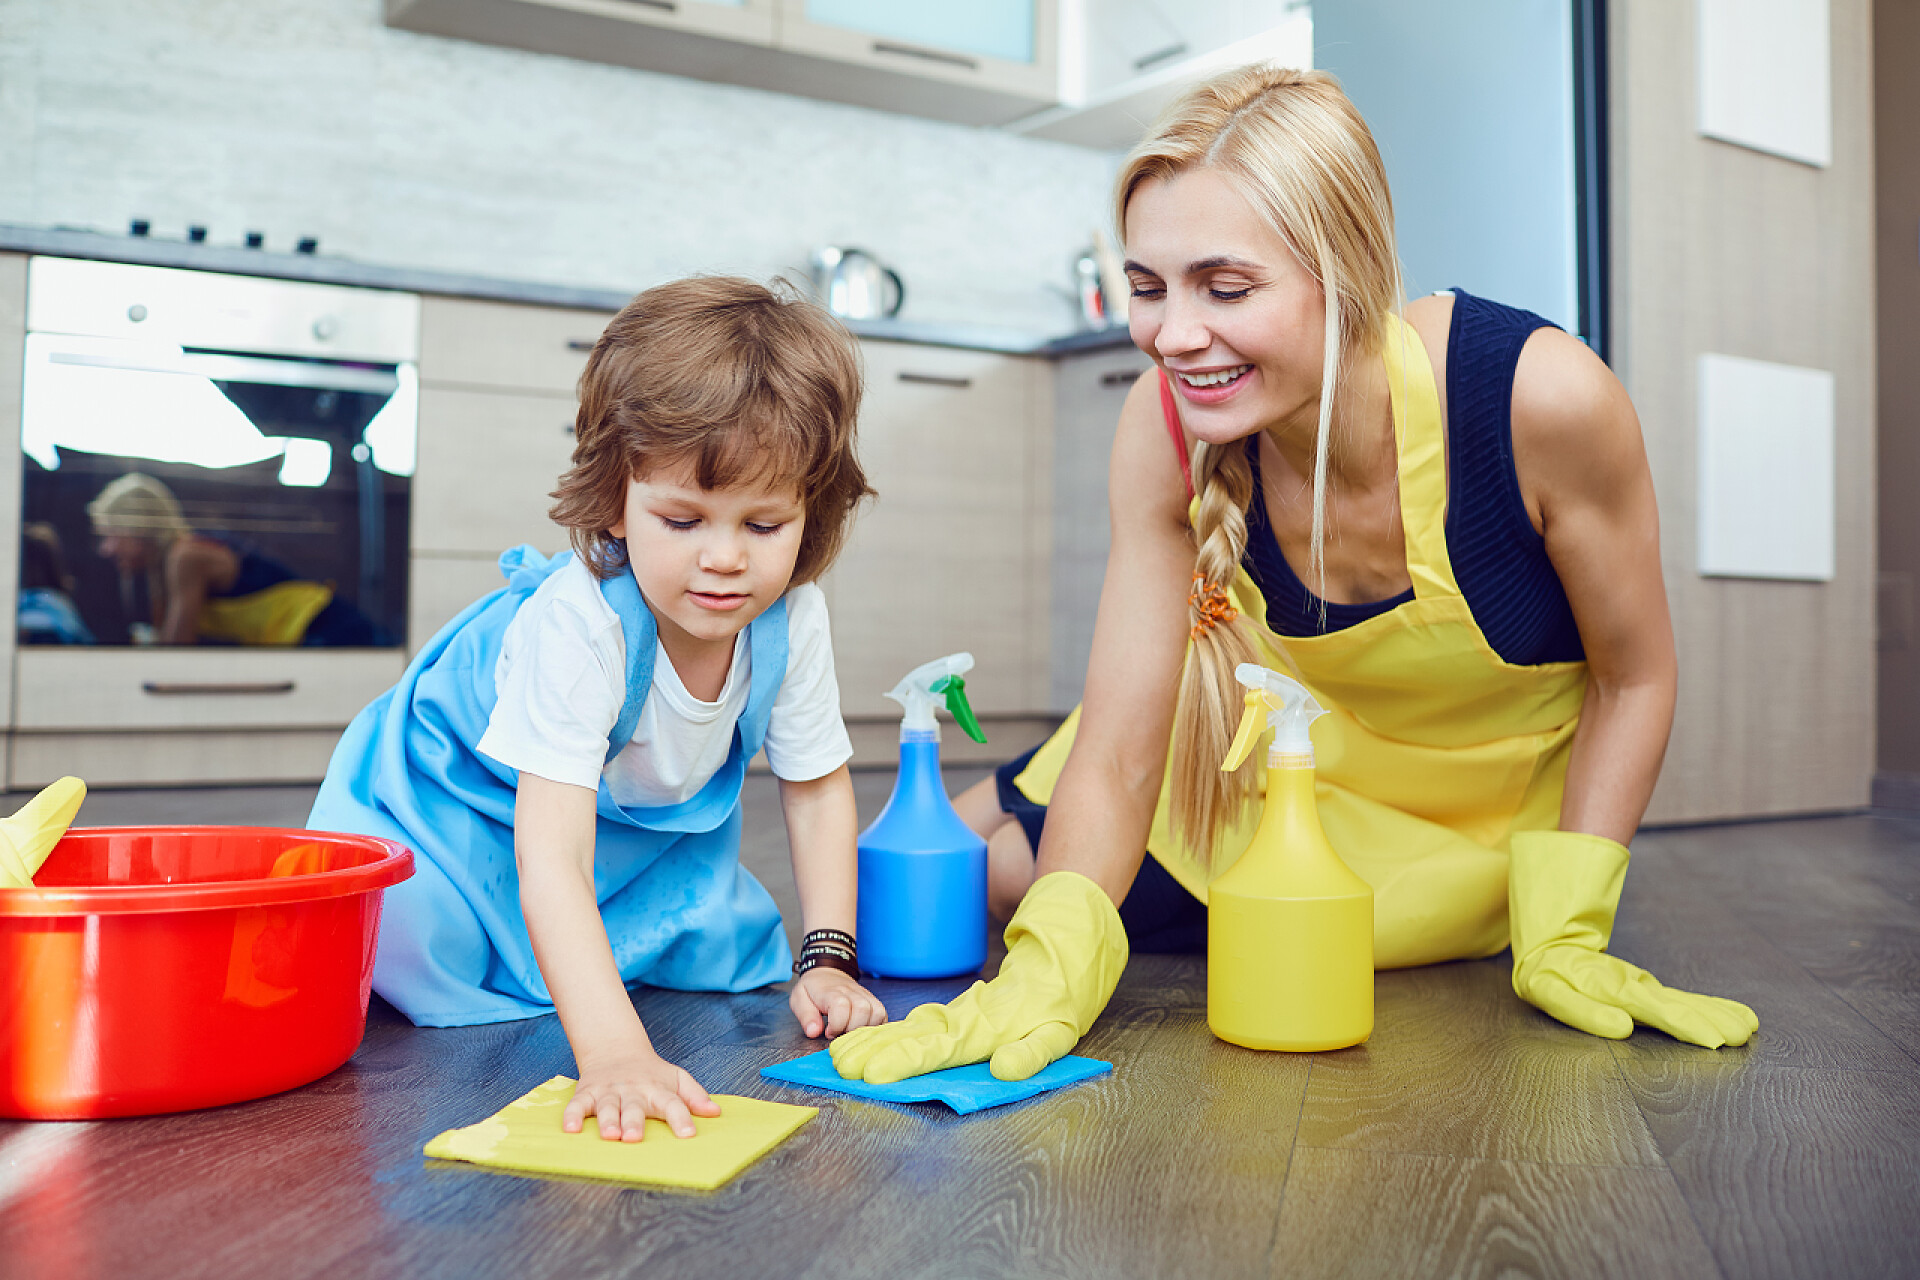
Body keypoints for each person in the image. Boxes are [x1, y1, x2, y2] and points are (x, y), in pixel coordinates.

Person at [831, 65, 1757, 1089]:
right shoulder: (1166, 423)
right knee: (931, 870)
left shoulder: (1539, 402)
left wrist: (1569, 925)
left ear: (1347, 270)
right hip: (1266, 754)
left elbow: (1637, 676)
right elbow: (1125, 745)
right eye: (1147, 288)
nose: (1175, 337)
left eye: (1225, 288)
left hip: (1453, 824)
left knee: (1003, 873)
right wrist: (1047, 975)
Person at [309, 276, 889, 1142]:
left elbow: (813, 788)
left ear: (813, 511)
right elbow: (549, 851)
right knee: (404, 946)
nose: (725, 560)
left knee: (725, 947)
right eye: (682, 519)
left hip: (620, 829)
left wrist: (831, 957)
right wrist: (615, 1052)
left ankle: (575, 955)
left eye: (763, 527)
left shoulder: (792, 617)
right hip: (448, 809)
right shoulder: (576, 625)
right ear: (616, 496)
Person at [86, 472, 380, 646]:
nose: (106, 549)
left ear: (140, 526)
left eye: (112, 534)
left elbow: (177, 648)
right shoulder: (163, 567)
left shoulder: (185, 557)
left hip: (327, 627)